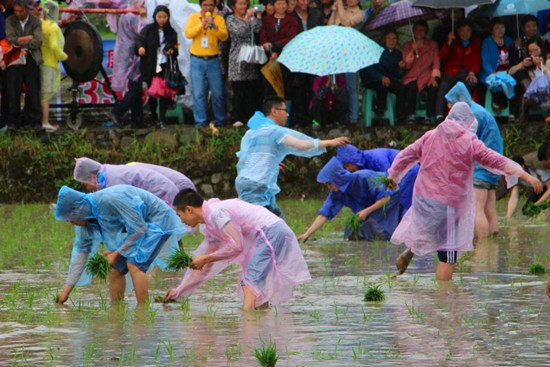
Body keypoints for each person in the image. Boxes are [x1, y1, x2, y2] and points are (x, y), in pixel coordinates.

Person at [387, 102, 542, 281]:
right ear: (468, 123)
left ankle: (408, 254)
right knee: (448, 255)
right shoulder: (469, 142)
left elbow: (406, 154)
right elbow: (496, 160)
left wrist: (392, 177)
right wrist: (525, 175)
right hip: (449, 204)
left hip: (425, 200)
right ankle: (444, 301)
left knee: (434, 228)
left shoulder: (430, 136)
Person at [164, 189, 311, 311]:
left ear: (188, 210)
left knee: (249, 283)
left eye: (179, 215)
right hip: (270, 234)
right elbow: (206, 265)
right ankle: (262, 329)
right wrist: (179, 291)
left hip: (271, 232)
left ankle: (247, 332)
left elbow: (236, 246)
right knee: (256, 285)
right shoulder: (210, 223)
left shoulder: (218, 213)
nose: (181, 220)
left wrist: (206, 258)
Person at [55, 185, 186, 305]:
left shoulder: (109, 199)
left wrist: (116, 253)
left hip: (157, 220)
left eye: (70, 218)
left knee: (134, 264)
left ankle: (143, 313)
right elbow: (80, 255)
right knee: (115, 269)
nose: (72, 223)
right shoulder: (85, 223)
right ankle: (117, 311)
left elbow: (139, 228)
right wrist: (65, 294)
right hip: (138, 228)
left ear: (78, 210)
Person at [235, 95, 350, 217]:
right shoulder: (274, 131)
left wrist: (272, 162)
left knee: (272, 222)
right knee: (262, 225)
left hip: (245, 183)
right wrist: (330, 142)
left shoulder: (251, 132)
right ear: (274, 111)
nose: (288, 114)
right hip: (257, 186)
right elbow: (301, 144)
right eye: (285, 110)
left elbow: (246, 157)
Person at [445, 82, 504, 240]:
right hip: (493, 164)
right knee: (489, 209)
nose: (449, 107)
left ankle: (483, 250)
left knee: (476, 209)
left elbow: (467, 145)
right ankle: (493, 247)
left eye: (450, 103)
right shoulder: (477, 109)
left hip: (482, 167)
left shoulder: (471, 115)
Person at [297, 157, 403, 242]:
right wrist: (307, 234)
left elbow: (386, 197)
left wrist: (366, 211)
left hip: (390, 195)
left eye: (330, 183)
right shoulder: (336, 193)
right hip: (370, 204)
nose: (329, 187)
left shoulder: (364, 177)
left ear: (338, 179)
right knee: (353, 229)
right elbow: (324, 214)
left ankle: (388, 240)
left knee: (373, 226)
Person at [336, 144, 418, 215]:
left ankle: (406, 228)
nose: (348, 169)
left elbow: (388, 180)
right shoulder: (363, 166)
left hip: (408, 172)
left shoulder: (376, 158)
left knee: (404, 202)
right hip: (399, 175)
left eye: (347, 165)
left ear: (352, 160)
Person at [185, 0, 228, 128]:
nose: (208, 7)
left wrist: (214, 26)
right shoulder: (193, 17)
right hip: (197, 59)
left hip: (213, 59)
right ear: (201, 6)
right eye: (205, 5)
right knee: (198, 92)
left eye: (210, 5)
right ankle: (200, 121)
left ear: (214, 6)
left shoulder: (219, 19)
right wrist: (201, 25)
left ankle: (219, 120)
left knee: (217, 92)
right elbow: (188, 33)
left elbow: (224, 36)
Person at [73, 157, 182, 206]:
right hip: (159, 193)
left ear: (92, 177)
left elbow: (128, 208)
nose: (88, 188)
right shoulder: (107, 175)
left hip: (162, 193)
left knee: (166, 230)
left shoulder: (112, 180)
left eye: (85, 184)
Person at [136, 5, 178, 129]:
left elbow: (176, 48)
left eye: (164, 17)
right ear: (155, 17)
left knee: (164, 93)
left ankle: (162, 119)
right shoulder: (148, 29)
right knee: (153, 93)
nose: (162, 19)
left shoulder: (171, 32)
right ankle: (154, 117)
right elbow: (140, 41)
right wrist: (140, 48)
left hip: (165, 66)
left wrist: (172, 51)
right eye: (159, 17)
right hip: (151, 65)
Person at [5, 0, 42, 131]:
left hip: (31, 57)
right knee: (13, 90)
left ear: (26, 10)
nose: (18, 14)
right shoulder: (10, 20)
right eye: (16, 11)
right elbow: (11, 39)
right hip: (15, 58)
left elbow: (38, 40)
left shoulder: (35, 21)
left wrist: (22, 42)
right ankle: (13, 122)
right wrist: (28, 38)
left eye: (20, 11)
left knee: (33, 90)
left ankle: (34, 121)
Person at [435, 20, 481, 124]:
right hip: (451, 72)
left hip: (466, 72)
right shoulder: (453, 41)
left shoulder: (475, 42)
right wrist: (448, 43)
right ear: (458, 32)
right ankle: (439, 115)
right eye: (462, 31)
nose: (465, 34)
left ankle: (462, 113)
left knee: (471, 83)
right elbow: (442, 56)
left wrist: (472, 72)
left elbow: (476, 59)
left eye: (468, 31)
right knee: (443, 86)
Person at [110, 1, 146, 128]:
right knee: (136, 85)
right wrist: (144, 18)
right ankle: (118, 111)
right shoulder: (132, 16)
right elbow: (141, 32)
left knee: (136, 85)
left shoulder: (126, 12)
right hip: (132, 54)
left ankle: (138, 120)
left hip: (126, 52)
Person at [328, 0, 364, 127]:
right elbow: (330, 28)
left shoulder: (360, 14)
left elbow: (346, 23)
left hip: (351, 54)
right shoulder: (340, 10)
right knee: (339, 86)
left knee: (351, 87)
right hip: (338, 53)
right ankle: (341, 117)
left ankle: (353, 118)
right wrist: (334, 11)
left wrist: (340, 7)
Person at [226, 0, 262, 127]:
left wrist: (258, 16)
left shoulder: (251, 17)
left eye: (245, 4)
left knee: (251, 90)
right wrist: (247, 18)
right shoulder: (230, 19)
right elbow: (240, 32)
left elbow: (257, 29)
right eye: (240, 4)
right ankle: (238, 118)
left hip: (251, 57)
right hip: (237, 59)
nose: (243, 6)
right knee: (239, 89)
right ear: (233, 6)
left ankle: (250, 118)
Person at [399, 20, 440, 125]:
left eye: (422, 30)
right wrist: (412, 50)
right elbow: (407, 65)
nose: (419, 33)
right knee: (410, 87)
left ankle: (429, 115)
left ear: (426, 32)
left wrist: (433, 77)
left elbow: (436, 63)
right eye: (417, 30)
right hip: (412, 75)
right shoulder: (407, 46)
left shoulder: (432, 45)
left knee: (433, 87)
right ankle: (410, 115)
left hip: (427, 75)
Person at [361, 29, 405, 119]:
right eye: (389, 38)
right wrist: (380, 77)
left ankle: (399, 115)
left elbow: (397, 75)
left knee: (401, 88)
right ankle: (380, 109)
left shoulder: (398, 54)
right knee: (382, 85)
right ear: (385, 39)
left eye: (394, 39)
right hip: (373, 79)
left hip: (389, 79)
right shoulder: (376, 50)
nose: (391, 41)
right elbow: (368, 69)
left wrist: (400, 68)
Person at [39, 0, 66, 133]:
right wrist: (63, 56)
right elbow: (54, 46)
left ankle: (42, 121)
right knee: (46, 93)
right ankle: (45, 122)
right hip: (49, 63)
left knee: (41, 92)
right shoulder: (53, 27)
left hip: (39, 61)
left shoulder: (41, 24)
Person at [480, 17, 516, 112]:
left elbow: (513, 57)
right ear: (492, 30)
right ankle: (496, 104)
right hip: (492, 73)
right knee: (497, 85)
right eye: (497, 28)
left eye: (502, 27)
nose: (500, 30)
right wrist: (493, 73)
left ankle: (511, 111)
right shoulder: (487, 42)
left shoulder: (508, 40)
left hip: (507, 72)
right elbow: (485, 61)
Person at [509, 39, 549, 122]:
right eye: (530, 51)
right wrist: (522, 64)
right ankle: (521, 117)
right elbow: (511, 72)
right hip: (534, 94)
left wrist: (542, 66)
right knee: (519, 74)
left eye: (535, 50)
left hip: (547, 92)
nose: (533, 53)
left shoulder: (548, 60)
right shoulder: (529, 63)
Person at [506, 154, 547, 219]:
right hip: (537, 189)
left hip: (546, 187)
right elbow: (513, 197)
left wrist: (538, 203)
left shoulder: (537, 169)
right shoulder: (511, 174)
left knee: (539, 206)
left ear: (523, 166)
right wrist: (508, 217)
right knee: (526, 210)